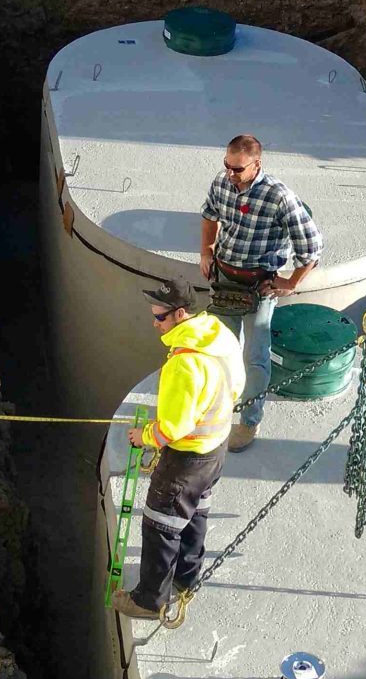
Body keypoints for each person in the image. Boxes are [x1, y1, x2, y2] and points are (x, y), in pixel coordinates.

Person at [110, 281, 246, 622]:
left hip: (186, 459)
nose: (154, 323)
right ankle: (187, 579)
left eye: (159, 317)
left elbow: (173, 427)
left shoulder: (183, 364)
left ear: (180, 314)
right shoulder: (218, 334)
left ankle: (149, 601)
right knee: (195, 514)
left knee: (161, 525)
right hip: (214, 450)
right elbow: (236, 387)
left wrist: (144, 436)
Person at [199, 133, 322, 449]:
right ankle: (217, 410)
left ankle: (248, 421)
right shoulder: (222, 183)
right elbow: (210, 214)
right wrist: (207, 251)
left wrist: (291, 283)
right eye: (227, 165)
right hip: (225, 278)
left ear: (257, 165)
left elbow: (311, 246)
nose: (230, 173)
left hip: (258, 286)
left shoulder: (278, 196)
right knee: (219, 349)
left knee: (254, 357)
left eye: (237, 169)